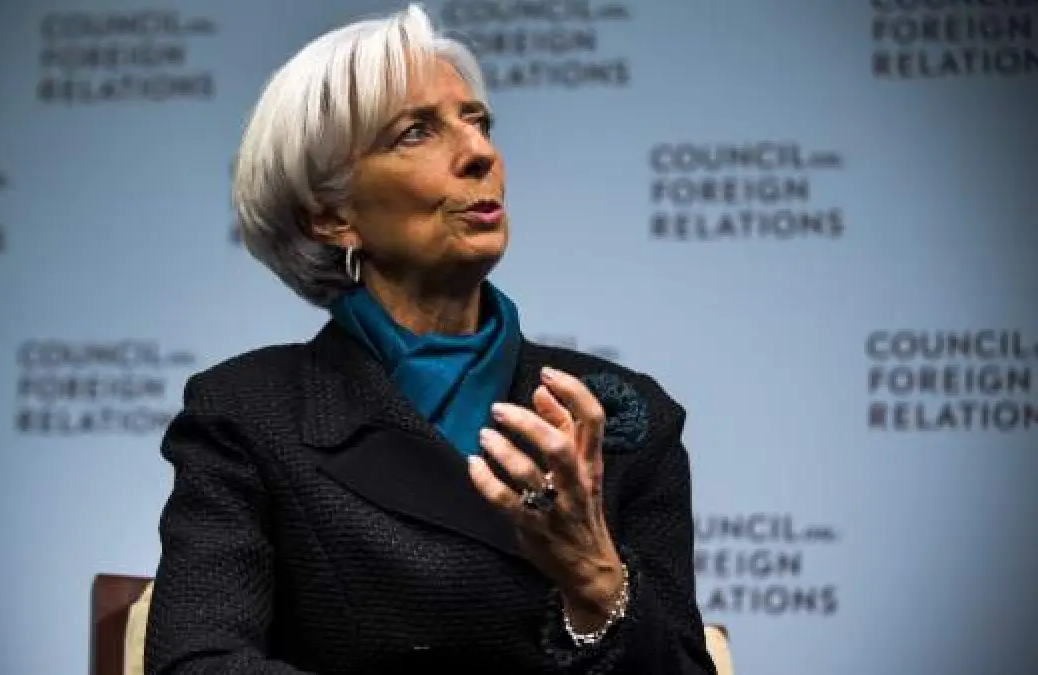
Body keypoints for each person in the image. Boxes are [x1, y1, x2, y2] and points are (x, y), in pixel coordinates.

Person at [144, 5, 715, 674]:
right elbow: (197, 664)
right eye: (416, 132)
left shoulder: (615, 418)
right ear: (330, 216)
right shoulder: (247, 415)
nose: (480, 153)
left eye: (478, 122)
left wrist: (595, 580)